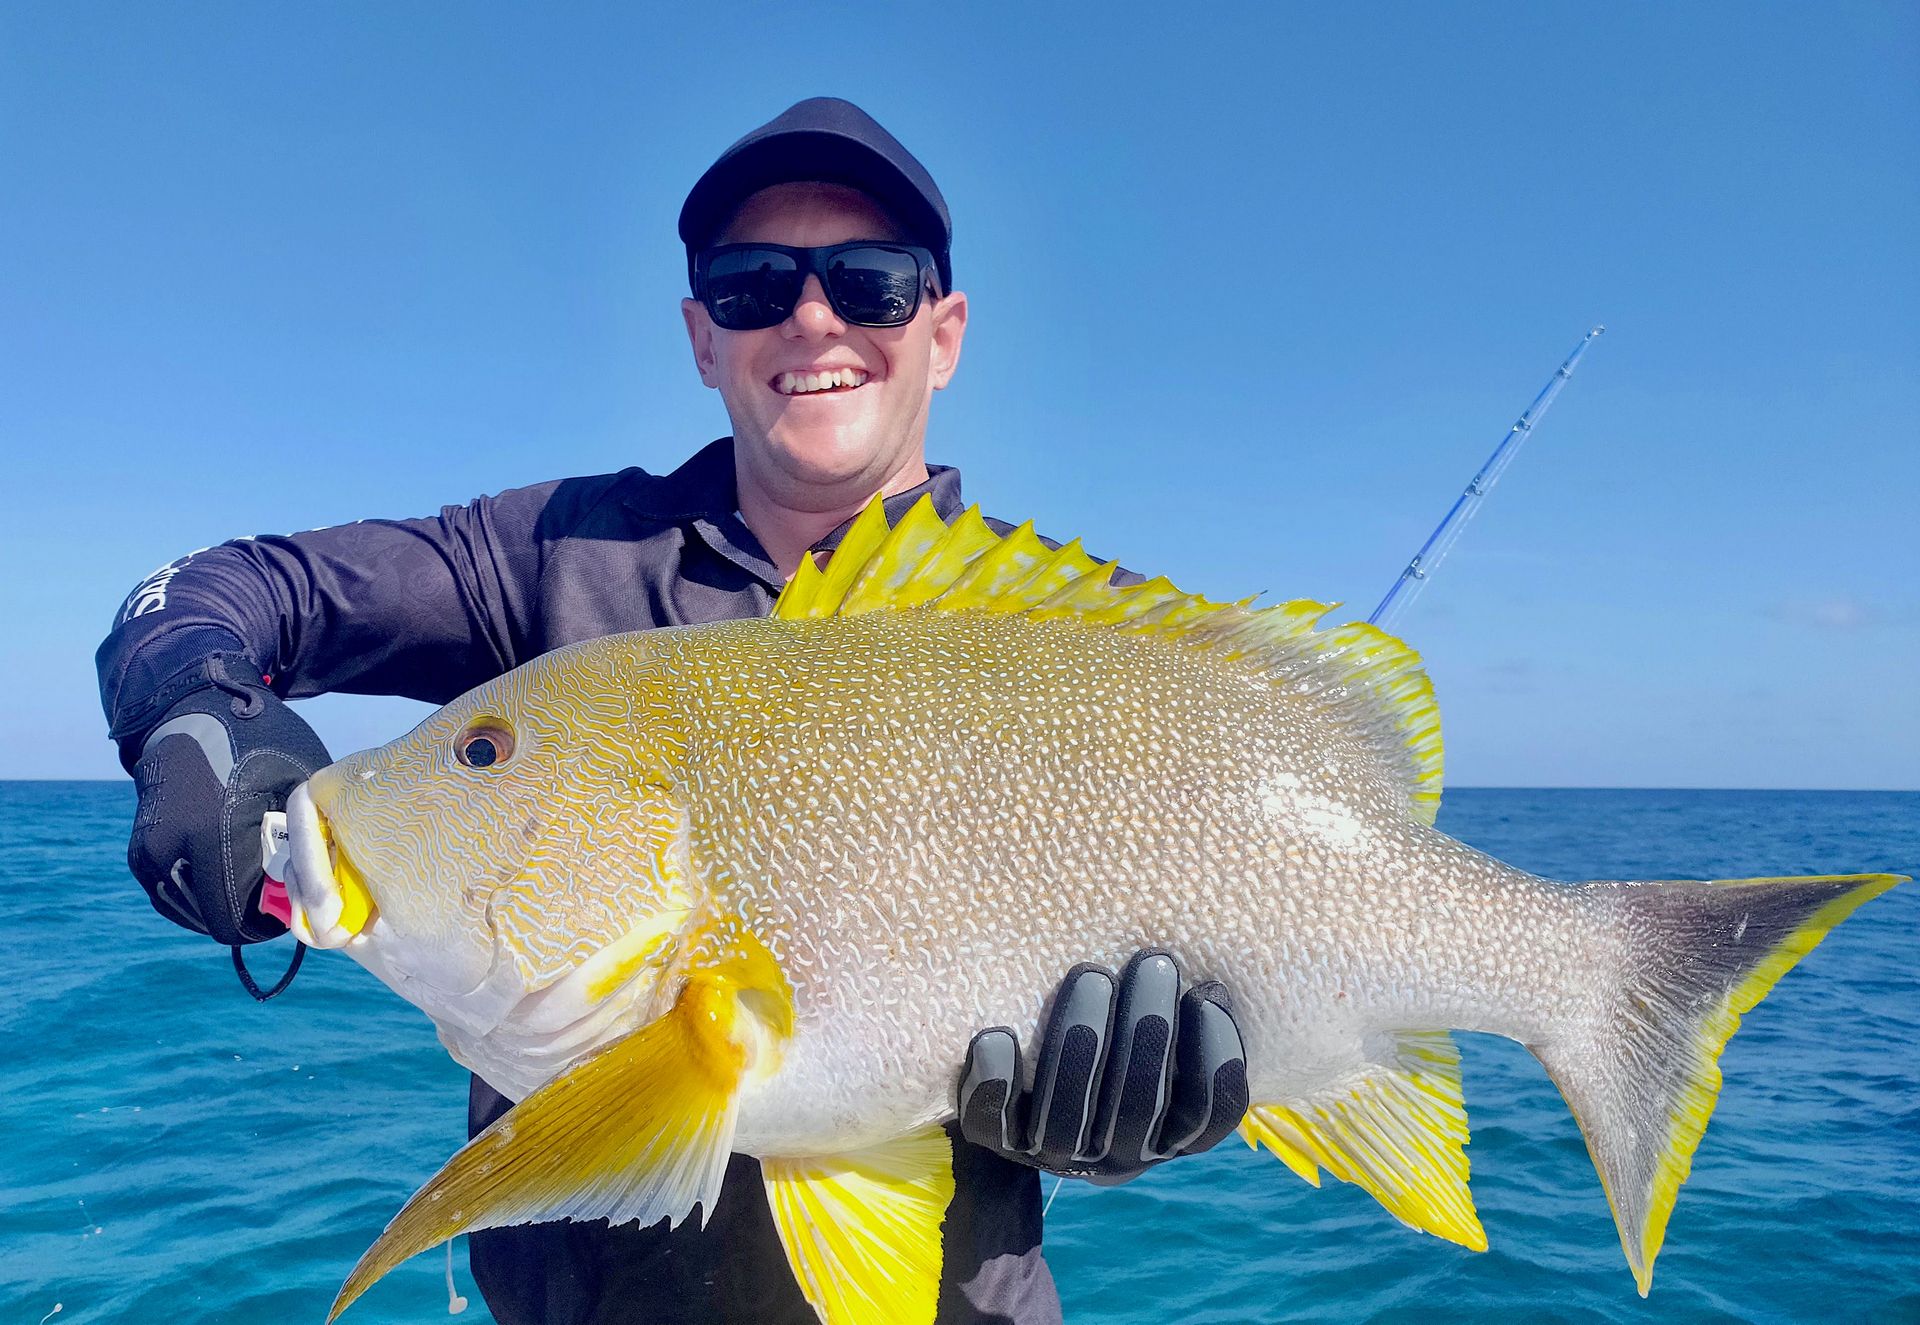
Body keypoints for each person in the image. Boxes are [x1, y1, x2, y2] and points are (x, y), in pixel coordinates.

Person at [98, 98, 1250, 1324]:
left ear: (944, 330)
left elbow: (1247, 927)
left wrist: (1153, 1110)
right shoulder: (560, 551)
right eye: (754, 286)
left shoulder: (1081, 646)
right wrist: (195, 713)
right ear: (703, 336)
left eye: (871, 283)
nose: (814, 318)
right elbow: (224, 588)